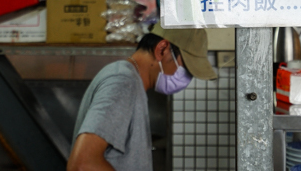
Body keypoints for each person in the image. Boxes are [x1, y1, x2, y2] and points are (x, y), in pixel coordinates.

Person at [67, 23, 216, 171]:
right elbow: (82, 165)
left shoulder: (130, 81)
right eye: (186, 69)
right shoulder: (123, 82)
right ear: (162, 49)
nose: (186, 79)